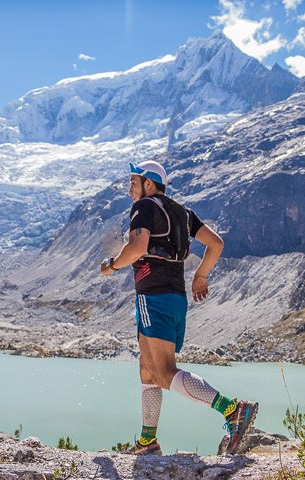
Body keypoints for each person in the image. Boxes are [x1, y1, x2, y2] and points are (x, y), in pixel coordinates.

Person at [100, 160, 257, 456]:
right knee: (147, 371)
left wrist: (111, 266)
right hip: (176, 298)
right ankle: (148, 442)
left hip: (153, 297)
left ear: (149, 184)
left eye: (133, 183)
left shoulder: (144, 207)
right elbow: (216, 244)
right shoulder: (183, 213)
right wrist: (200, 275)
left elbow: (136, 248)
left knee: (163, 372)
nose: (129, 190)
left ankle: (233, 409)